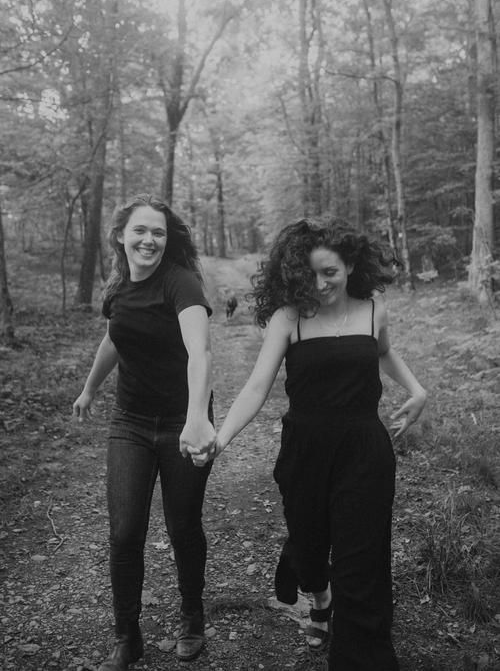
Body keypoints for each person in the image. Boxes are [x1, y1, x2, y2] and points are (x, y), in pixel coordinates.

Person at [193, 217, 426, 670]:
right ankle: (317, 593)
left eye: (330, 273)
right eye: (310, 275)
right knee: (310, 544)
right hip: (305, 450)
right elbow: (257, 388)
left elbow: (382, 352)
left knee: (363, 563)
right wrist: (219, 438)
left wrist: (417, 390)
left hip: (364, 450)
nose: (320, 285)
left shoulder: (375, 309)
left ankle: (364, 658)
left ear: (351, 265)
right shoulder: (289, 318)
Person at [73, 193, 216, 671]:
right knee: (125, 531)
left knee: (182, 525)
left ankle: (192, 616)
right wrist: (91, 389)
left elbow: (201, 352)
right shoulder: (117, 287)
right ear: (120, 236)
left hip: (183, 420)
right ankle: (126, 636)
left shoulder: (182, 283)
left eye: (158, 231)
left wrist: (198, 416)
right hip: (130, 421)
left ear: (166, 239)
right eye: (140, 230)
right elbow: (115, 337)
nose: (149, 239)